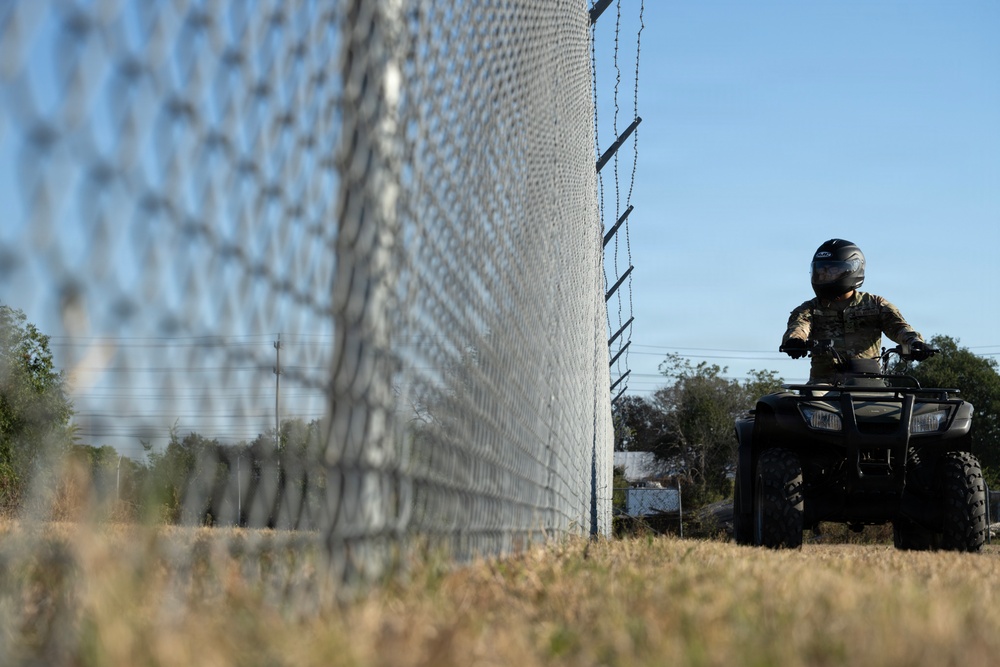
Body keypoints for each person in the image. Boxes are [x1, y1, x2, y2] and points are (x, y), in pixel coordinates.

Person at [781, 239, 932, 383]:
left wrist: (915, 343)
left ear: (852, 269)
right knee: (810, 407)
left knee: (896, 407)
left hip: (870, 384)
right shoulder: (810, 309)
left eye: (832, 270)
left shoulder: (876, 305)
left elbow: (900, 327)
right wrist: (795, 341)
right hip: (824, 386)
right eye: (821, 270)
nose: (824, 275)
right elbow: (799, 326)